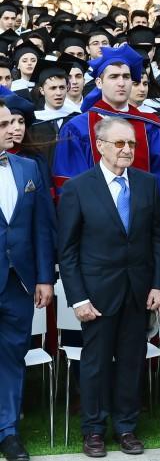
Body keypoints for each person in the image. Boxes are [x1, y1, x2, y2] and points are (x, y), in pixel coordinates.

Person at [56, 118, 160, 457]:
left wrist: (158, 286)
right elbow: (68, 249)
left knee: (132, 362)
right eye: (119, 144)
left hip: (138, 293)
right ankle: (93, 430)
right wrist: (78, 298)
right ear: (100, 145)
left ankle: (126, 428)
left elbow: (158, 238)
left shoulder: (147, 183)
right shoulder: (78, 187)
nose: (127, 150)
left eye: (131, 144)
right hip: (97, 295)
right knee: (96, 364)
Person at [53, 44, 160, 226]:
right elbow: (69, 185)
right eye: (113, 76)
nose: (121, 83)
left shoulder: (151, 126)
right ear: (98, 82)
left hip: (144, 230)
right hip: (94, 232)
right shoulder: (78, 128)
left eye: (127, 77)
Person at [0, 99, 56, 461]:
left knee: (11, 357)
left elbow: (42, 228)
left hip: (19, 283)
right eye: (3, 124)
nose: (11, 129)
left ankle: (7, 431)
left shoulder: (29, 167)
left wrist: (44, 278)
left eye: (10, 123)